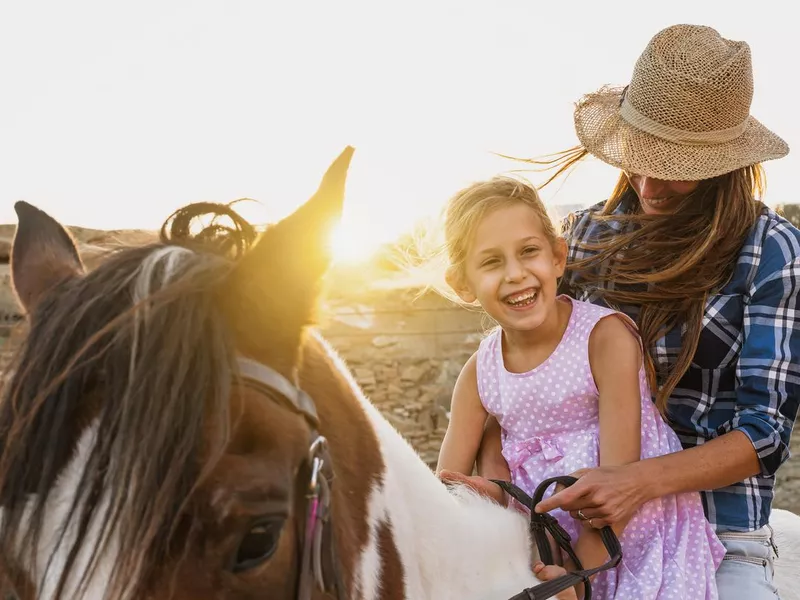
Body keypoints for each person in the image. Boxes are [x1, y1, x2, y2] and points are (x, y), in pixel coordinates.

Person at [461, 23, 799, 599]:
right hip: (567, 525)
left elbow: (764, 435)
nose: (647, 182)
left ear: (725, 162)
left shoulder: (772, 253)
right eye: (641, 155)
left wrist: (634, 483)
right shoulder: (588, 236)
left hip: (719, 525)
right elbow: (524, 378)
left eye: (675, 164)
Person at [434, 175, 725, 599]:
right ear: (462, 284)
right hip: (539, 555)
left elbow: (616, 481)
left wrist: (576, 580)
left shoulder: (604, 339)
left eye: (528, 252)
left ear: (556, 257)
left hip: (628, 540)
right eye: (492, 262)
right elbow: (448, 493)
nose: (515, 274)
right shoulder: (480, 374)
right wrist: (490, 495)